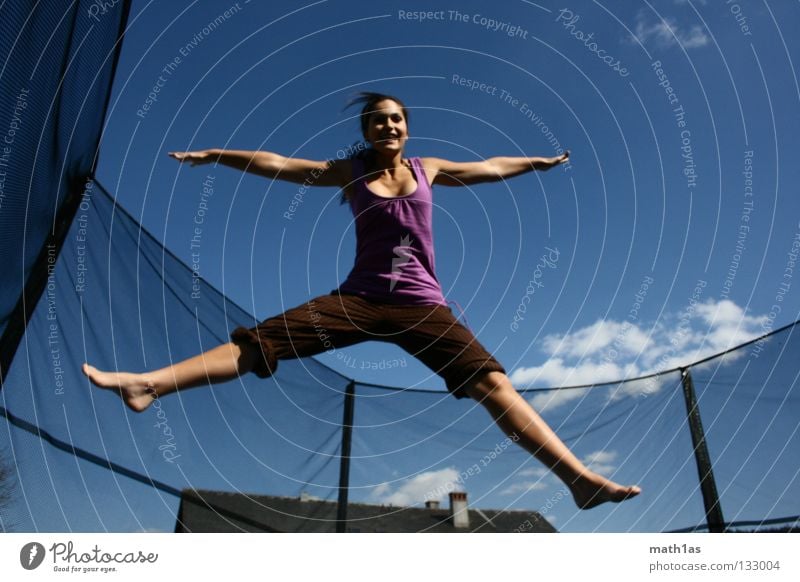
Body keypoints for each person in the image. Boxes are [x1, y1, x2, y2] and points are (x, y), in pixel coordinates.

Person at [83, 92, 640, 510]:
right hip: (360, 298)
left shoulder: (430, 168)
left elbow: (490, 167)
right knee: (262, 343)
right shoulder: (349, 173)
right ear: (367, 131)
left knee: (492, 382)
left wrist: (537, 164)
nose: (389, 125)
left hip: (423, 306)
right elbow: (278, 164)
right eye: (379, 119)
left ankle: (578, 479)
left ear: (406, 128)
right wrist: (216, 155)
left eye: (397, 118)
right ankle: (148, 382)